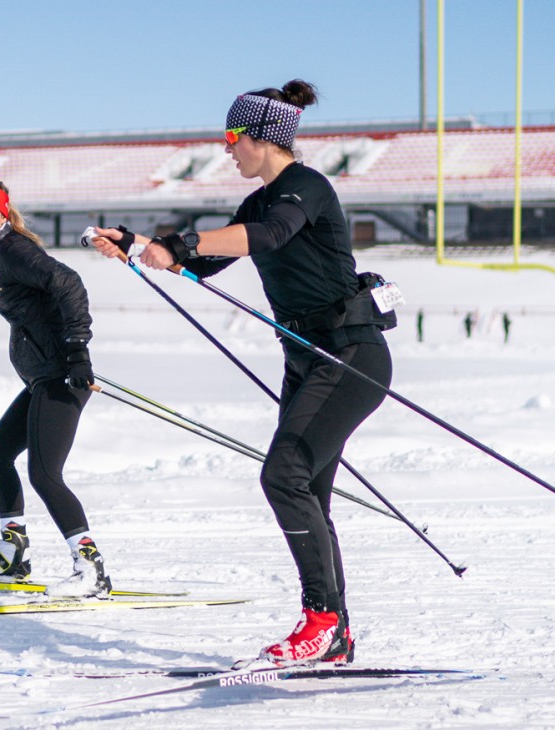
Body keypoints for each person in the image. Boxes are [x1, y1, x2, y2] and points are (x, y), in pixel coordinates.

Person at [90, 80, 391, 666]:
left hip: (349, 354)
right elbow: (209, 257)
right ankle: (336, 635)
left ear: (264, 138)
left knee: (283, 477)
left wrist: (181, 240)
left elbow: (270, 236)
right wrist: (137, 245)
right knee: (309, 494)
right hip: (306, 361)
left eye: (233, 136)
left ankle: (321, 623)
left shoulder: (306, 189)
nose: (226, 147)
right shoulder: (256, 203)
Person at [0, 178, 111, 598]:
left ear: (3, 214)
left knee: (45, 474)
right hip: (45, 376)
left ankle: (91, 569)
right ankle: (13, 555)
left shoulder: (13, 250)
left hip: (62, 374)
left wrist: (78, 351)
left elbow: (69, 282)